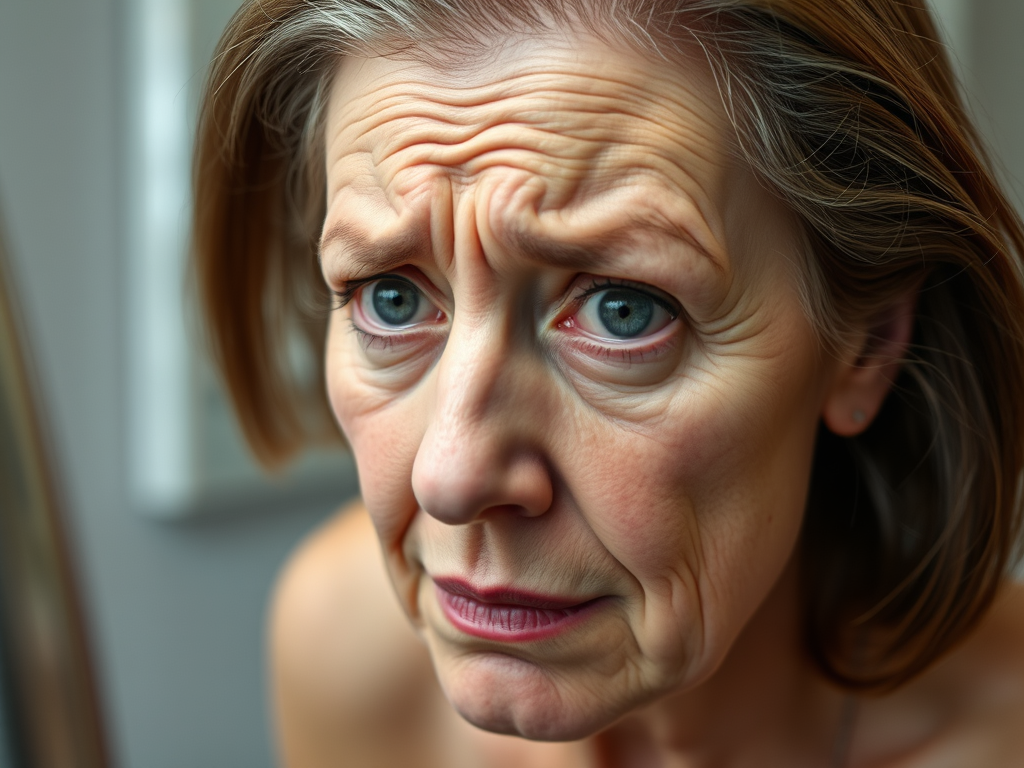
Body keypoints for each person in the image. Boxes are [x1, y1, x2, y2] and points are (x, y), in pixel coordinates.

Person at [192, 0, 1024, 765]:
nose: (450, 478)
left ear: (868, 346)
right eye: (391, 297)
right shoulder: (349, 655)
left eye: (624, 311)